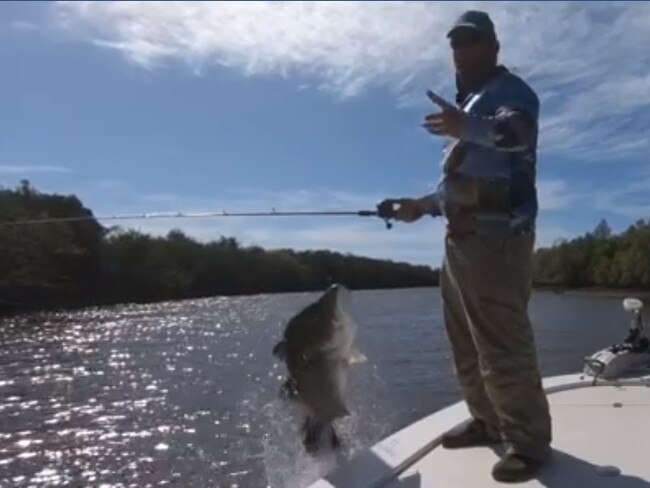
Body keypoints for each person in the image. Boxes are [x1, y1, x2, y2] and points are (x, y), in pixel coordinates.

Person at [379, 10, 552, 483]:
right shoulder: (470, 105)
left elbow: (517, 135)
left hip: (497, 243)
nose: (461, 50)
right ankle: (487, 420)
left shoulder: (510, 93)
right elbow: (459, 188)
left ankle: (529, 444)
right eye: (455, 43)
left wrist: (464, 126)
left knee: (503, 342)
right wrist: (418, 206)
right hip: (460, 243)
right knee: (464, 343)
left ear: (493, 47)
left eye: (471, 41)